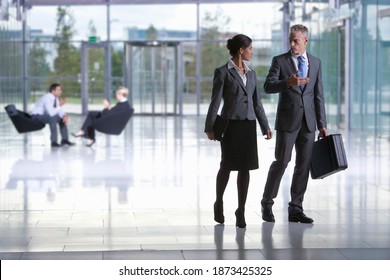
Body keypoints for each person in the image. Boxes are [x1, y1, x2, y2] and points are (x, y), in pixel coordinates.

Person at [261, 24, 328, 224]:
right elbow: (267, 86)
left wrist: (322, 123)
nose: (292, 44)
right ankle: (267, 203)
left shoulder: (315, 63)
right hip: (287, 121)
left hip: (309, 122)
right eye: (290, 40)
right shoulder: (279, 61)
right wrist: (287, 83)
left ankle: (296, 208)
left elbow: (318, 95)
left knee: (303, 166)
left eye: (296, 41)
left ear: (305, 41)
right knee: (281, 162)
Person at [205, 34, 272, 228]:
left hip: (248, 125)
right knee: (226, 166)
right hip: (230, 126)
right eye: (250, 48)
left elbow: (257, 103)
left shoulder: (251, 74)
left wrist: (265, 126)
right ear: (241, 50)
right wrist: (210, 127)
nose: (252, 51)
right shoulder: (223, 72)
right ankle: (219, 201)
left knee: (245, 168)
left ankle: (241, 210)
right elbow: (215, 101)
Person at [31, 83, 74, 147]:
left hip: (45, 116)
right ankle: (54, 142)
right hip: (36, 116)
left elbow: (58, 110)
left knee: (62, 118)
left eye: (61, 90)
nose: (61, 91)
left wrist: (65, 115)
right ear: (53, 91)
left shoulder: (55, 98)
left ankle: (64, 140)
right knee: (53, 118)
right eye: (59, 90)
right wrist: (59, 105)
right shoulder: (47, 98)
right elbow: (51, 113)